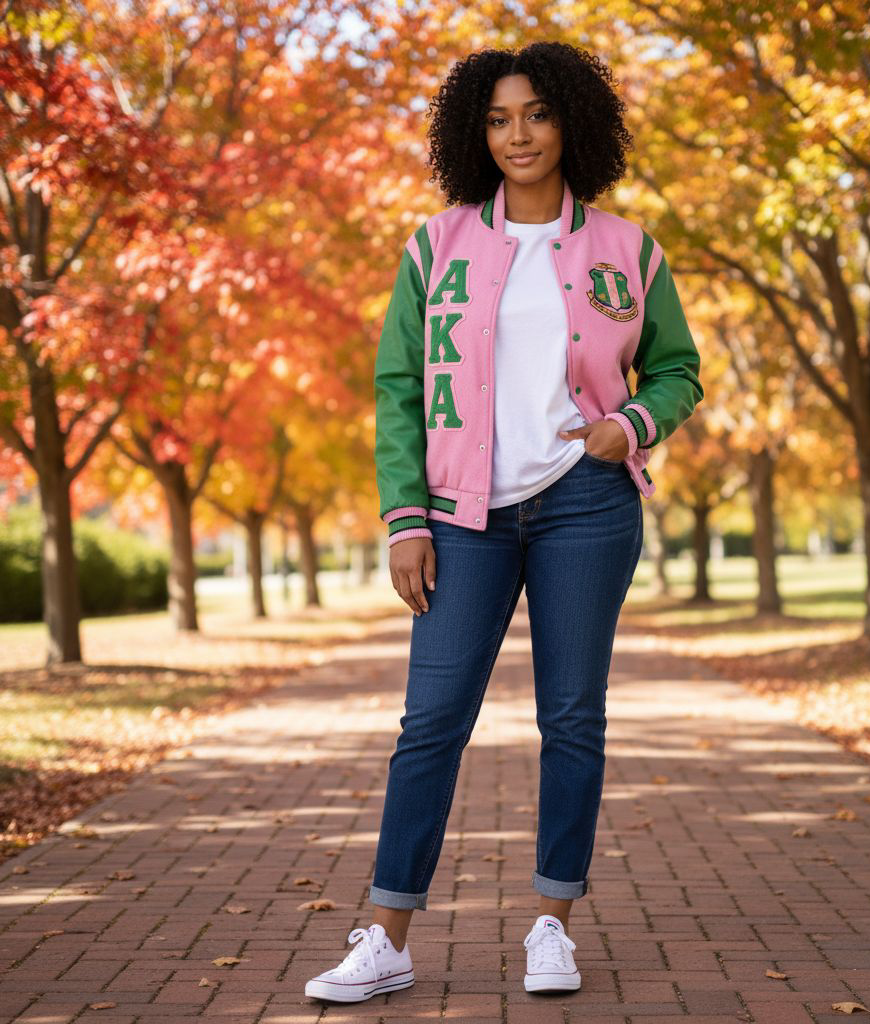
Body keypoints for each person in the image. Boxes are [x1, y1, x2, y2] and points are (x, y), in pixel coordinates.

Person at [306, 40, 703, 1005]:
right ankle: (388, 936)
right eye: (497, 118)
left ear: (571, 120)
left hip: (586, 505)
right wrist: (405, 521)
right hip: (461, 516)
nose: (517, 133)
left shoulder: (627, 248)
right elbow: (398, 389)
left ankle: (552, 925)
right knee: (431, 721)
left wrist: (627, 427)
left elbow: (679, 370)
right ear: (473, 134)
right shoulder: (435, 245)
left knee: (572, 719)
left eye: (534, 113)